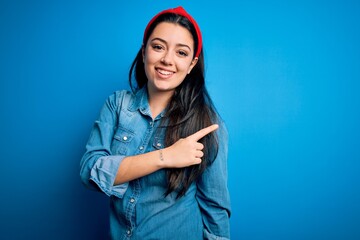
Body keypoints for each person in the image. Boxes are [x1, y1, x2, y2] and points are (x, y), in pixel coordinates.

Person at [80, 6, 231, 240]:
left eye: (181, 53)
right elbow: (89, 172)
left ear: (192, 64)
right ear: (144, 53)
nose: (167, 60)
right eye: (158, 47)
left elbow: (215, 208)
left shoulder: (206, 123)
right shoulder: (117, 105)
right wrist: (166, 157)